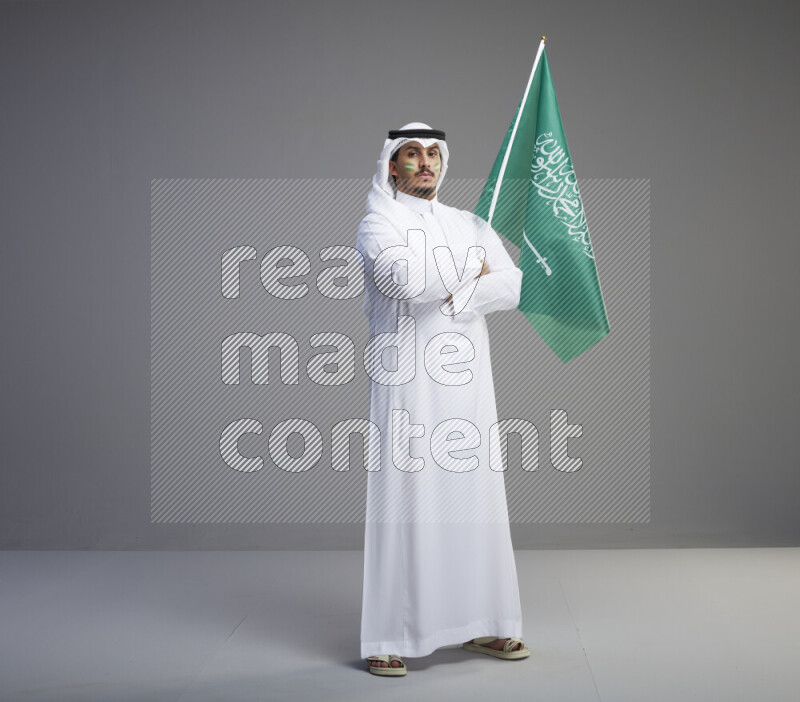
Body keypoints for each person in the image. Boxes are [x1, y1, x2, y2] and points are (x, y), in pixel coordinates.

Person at [355, 122, 529, 676]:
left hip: (468, 384)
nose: (425, 163)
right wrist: (469, 274)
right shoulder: (377, 222)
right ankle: (387, 636)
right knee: (405, 502)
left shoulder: (469, 222)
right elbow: (402, 280)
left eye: (433, 153)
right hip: (406, 381)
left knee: (474, 499)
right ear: (392, 165)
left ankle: (484, 624)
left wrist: (456, 289)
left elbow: (515, 284)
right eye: (412, 154)